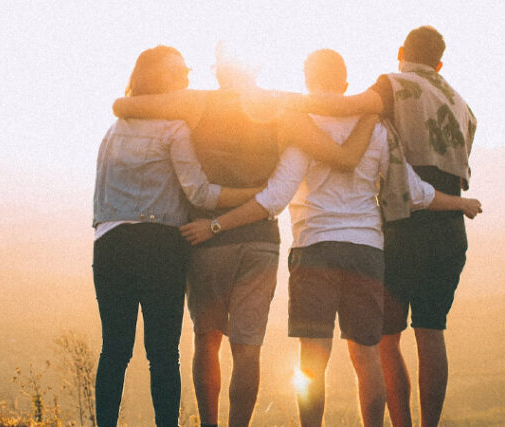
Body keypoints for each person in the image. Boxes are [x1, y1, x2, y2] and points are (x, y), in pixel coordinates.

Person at [180, 49, 481, 427]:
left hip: (315, 249)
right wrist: (459, 202)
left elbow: (275, 198)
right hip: (366, 251)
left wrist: (218, 223)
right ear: (345, 82)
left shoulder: (303, 126)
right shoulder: (376, 127)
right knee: (366, 355)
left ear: (307, 81)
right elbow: (414, 191)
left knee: (313, 359)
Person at [111, 44, 377, 427]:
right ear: (256, 67)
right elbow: (341, 152)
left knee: (207, 340)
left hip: (206, 239)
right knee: (247, 348)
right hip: (260, 241)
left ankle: (209, 424)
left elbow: (123, 106)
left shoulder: (196, 103)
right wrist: (372, 105)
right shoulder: (282, 107)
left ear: (219, 71)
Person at [285, 27, 478, 427]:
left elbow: (348, 107)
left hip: (403, 223)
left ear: (401, 52)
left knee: (385, 340)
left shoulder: (393, 85)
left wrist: (278, 102)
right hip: (448, 224)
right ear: (440, 63)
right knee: (432, 331)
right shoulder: (462, 104)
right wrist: (459, 203)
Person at [91, 45, 263, 427]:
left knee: (114, 350)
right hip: (159, 246)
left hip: (109, 244)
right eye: (176, 71)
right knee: (163, 353)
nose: (186, 76)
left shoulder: (112, 131)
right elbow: (199, 193)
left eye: (186, 68)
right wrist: (254, 195)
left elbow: (100, 198)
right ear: (156, 77)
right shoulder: (174, 128)